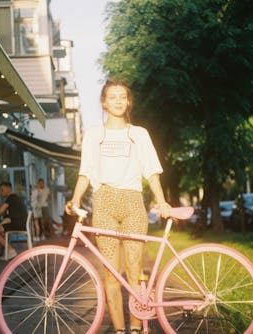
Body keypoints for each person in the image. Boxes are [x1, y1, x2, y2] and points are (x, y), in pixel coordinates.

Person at [65, 78, 171, 334]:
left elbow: (152, 171)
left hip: (134, 202)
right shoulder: (93, 134)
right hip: (104, 203)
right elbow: (86, 171)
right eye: (112, 97)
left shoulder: (139, 134)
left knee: (135, 270)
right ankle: (120, 329)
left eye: (122, 97)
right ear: (104, 102)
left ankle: (136, 328)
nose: (118, 101)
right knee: (111, 273)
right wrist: (76, 199)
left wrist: (162, 200)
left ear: (129, 101)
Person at [0, 181, 28, 259]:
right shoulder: (15, 197)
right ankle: (5, 252)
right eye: (0, 190)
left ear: (8, 189)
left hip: (17, 224)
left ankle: (11, 250)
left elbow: (0, 211)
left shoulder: (11, 198)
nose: (0, 192)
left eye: (2, 190)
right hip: (20, 223)